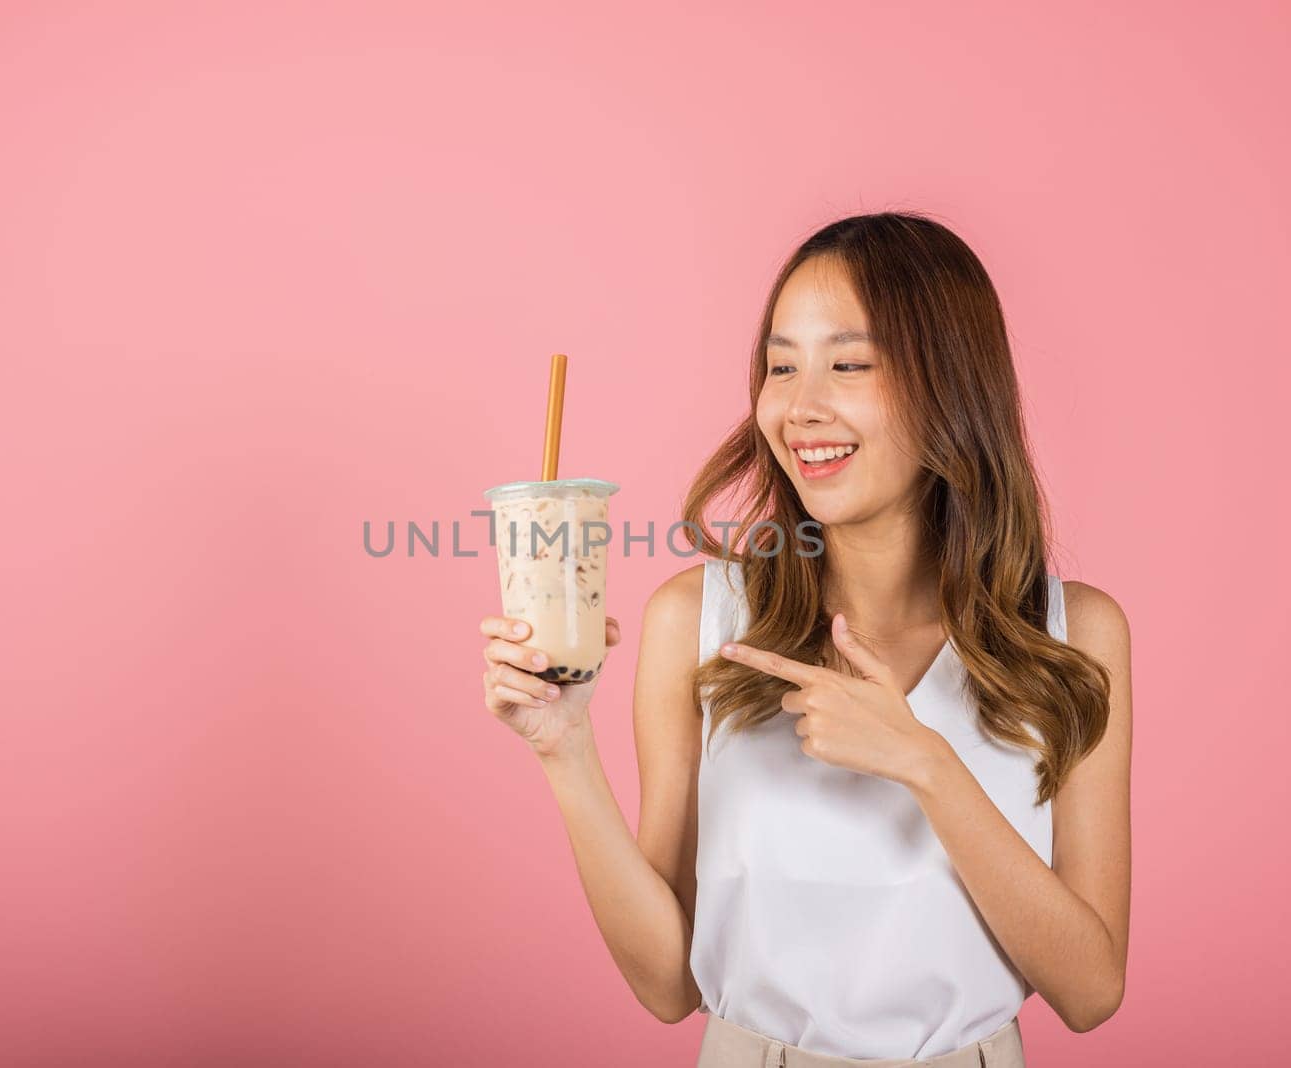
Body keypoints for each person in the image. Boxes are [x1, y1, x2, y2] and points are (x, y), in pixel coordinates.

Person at [477, 212, 1132, 1067]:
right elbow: (667, 984)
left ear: (952, 385)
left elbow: (1091, 991)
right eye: (781, 366)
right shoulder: (699, 622)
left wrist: (925, 762)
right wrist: (564, 749)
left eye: (849, 364)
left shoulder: (1075, 634)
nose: (800, 406)